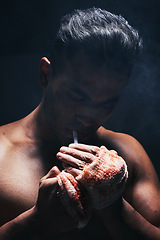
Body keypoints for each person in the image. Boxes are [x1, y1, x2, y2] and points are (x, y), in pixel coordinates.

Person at [0, 7, 159, 240]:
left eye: (106, 103)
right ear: (46, 74)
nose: (89, 114)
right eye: (77, 96)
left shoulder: (129, 153)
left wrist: (114, 208)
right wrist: (36, 221)